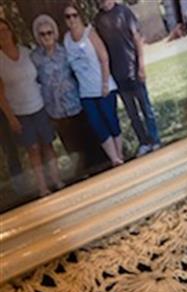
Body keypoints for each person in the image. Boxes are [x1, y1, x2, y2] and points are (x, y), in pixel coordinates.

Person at [31, 14, 102, 180]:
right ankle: (85, 175)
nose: (46, 37)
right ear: (37, 37)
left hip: (74, 103)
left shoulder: (64, 51)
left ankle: (99, 169)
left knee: (87, 139)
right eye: (42, 34)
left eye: (49, 32)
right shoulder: (35, 58)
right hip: (55, 109)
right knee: (71, 146)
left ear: (55, 33)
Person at [0, 18, 63, 198]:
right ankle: (43, 187)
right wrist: (11, 118)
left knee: (48, 144)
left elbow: (41, 76)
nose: (3, 34)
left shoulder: (26, 52)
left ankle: (57, 180)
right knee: (33, 149)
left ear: (11, 31)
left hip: (39, 105)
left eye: (5, 29)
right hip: (20, 112)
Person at [94, 0, 161, 157]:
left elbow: (137, 39)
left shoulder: (124, 11)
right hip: (117, 76)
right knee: (132, 114)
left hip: (133, 70)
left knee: (146, 109)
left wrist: (141, 65)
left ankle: (155, 140)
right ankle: (144, 142)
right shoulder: (98, 20)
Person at [63, 3, 123, 167]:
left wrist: (105, 84)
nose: (72, 19)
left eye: (74, 15)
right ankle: (114, 159)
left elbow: (104, 58)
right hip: (86, 92)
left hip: (103, 87)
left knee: (111, 120)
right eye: (68, 16)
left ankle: (120, 155)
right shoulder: (67, 39)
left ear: (80, 16)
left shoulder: (90, 33)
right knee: (97, 125)